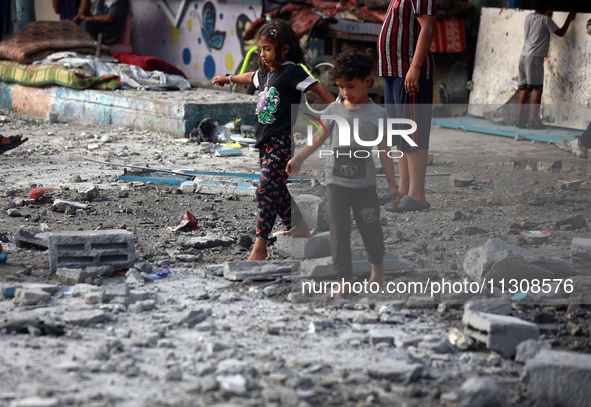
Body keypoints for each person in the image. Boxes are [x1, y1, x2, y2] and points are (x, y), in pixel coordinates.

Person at [212, 20, 335, 261]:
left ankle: (260, 247)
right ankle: (298, 225)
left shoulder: (292, 71)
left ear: (284, 48)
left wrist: (338, 108)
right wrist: (230, 79)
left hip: (280, 141)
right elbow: (252, 77)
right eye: (261, 49)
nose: (263, 54)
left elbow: (318, 87)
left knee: (267, 190)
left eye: (268, 48)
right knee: (276, 189)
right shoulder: (267, 73)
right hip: (264, 142)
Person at [287, 49, 401, 295]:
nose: (345, 92)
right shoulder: (334, 110)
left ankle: (376, 274)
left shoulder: (378, 114)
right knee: (339, 233)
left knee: (371, 228)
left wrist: (393, 185)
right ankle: (343, 280)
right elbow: (318, 138)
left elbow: (385, 151)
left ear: (367, 82)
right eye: (340, 87)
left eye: (350, 86)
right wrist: (298, 158)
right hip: (335, 183)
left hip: (365, 185)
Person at [377, 0, 436, 213]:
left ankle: (417, 195)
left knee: (413, 132)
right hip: (394, 71)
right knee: (400, 134)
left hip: (408, 71)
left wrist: (415, 67)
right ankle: (403, 190)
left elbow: (427, 27)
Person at [516, 0, 576, 129]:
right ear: (548, 7)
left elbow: (539, 27)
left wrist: (547, 15)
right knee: (538, 89)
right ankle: (534, 121)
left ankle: (520, 120)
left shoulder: (528, 17)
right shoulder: (546, 21)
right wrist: (569, 18)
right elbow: (561, 33)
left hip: (523, 56)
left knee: (524, 89)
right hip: (535, 58)